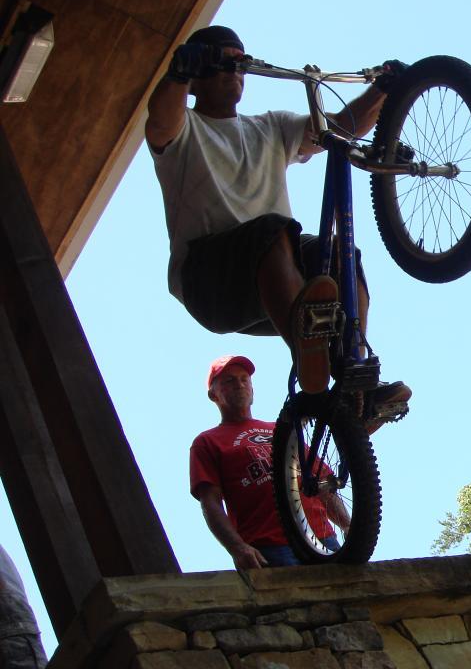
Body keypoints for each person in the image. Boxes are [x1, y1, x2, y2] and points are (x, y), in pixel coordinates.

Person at [145, 25, 409, 427]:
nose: (234, 73)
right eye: (221, 64)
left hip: (270, 281)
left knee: (339, 253)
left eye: (239, 64)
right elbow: (160, 121)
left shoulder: (269, 128)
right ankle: (307, 350)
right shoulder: (184, 129)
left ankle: (354, 380)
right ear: (198, 77)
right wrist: (179, 72)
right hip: (209, 281)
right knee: (272, 231)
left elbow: (341, 127)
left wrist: (384, 90)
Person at [191, 354, 346, 568]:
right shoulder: (207, 442)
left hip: (322, 538)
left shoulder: (282, 430)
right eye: (229, 380)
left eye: (244, 379)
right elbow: (210, 502)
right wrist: (237, 548)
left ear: (253, 389)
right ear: (213, 395)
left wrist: (347, 525)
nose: (239, 384)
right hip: (269, 547)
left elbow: (321, 483)